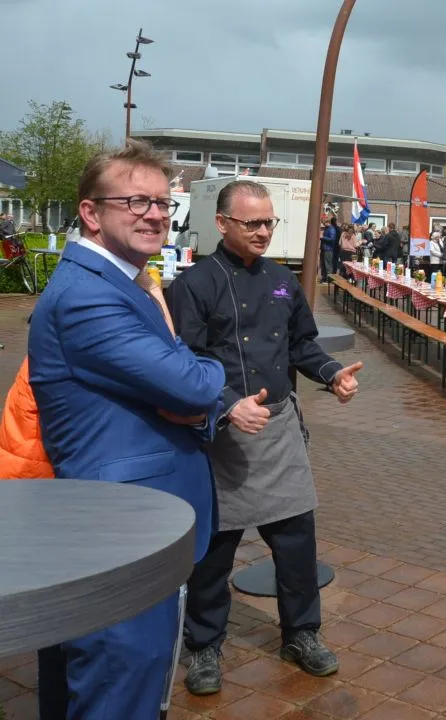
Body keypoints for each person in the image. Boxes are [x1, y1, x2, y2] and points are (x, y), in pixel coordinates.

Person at [29, 141, 226, 719]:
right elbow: (193, 384)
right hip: (117, 530)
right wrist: (203, 378)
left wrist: (191, 391)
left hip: (132, 522)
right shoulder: (89, 295)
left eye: (164, 203)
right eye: (136, 201)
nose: (156, 214)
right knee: (120, 686)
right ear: (91, 213)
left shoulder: (124, 282)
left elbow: (182, 391)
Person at [169, 180, 363, 695]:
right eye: (251, 222)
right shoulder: (194, 285)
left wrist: (332, 374)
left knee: (298, 544)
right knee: (214, 552)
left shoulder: (282, 280)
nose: (262, 231)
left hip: (278, 430)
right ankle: (205, 645)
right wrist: (228, 404)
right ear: (222, 223)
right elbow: (183, 363)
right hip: (224, 433)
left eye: (268, 222)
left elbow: (302, 345)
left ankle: (301, 634)